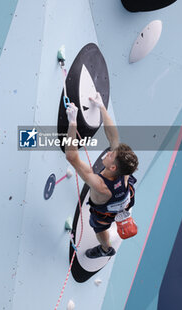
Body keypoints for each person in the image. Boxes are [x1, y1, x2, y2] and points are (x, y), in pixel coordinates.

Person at [65, 92, 138, 259]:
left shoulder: (99, 185)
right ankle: (123, 216)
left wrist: (73, 122)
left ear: (113, 167)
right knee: (115, 143)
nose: (108, 153)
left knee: (100, 228)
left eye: (111, 155)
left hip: (105, 211)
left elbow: (72, 157)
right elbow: (114, 138)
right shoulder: (125, 170)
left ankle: (105, 249)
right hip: (125, 198)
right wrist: (102, 108)